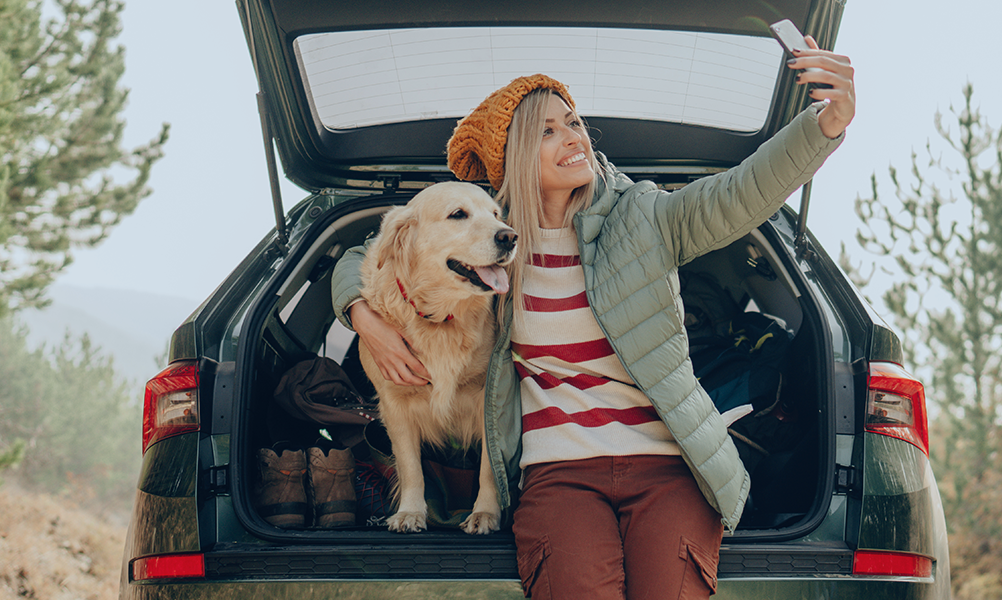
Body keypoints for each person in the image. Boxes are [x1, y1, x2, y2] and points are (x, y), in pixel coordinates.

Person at [331, 38, 854, 600]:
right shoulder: (494, 248)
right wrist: (364, 316)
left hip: (666, 466)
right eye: (547, 131)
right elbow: (373, 253)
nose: (573, 138)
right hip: (558, 473)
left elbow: (737, 195)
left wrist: (824, 126)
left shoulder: (647, 216)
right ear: (511, 159)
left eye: (573, 121)